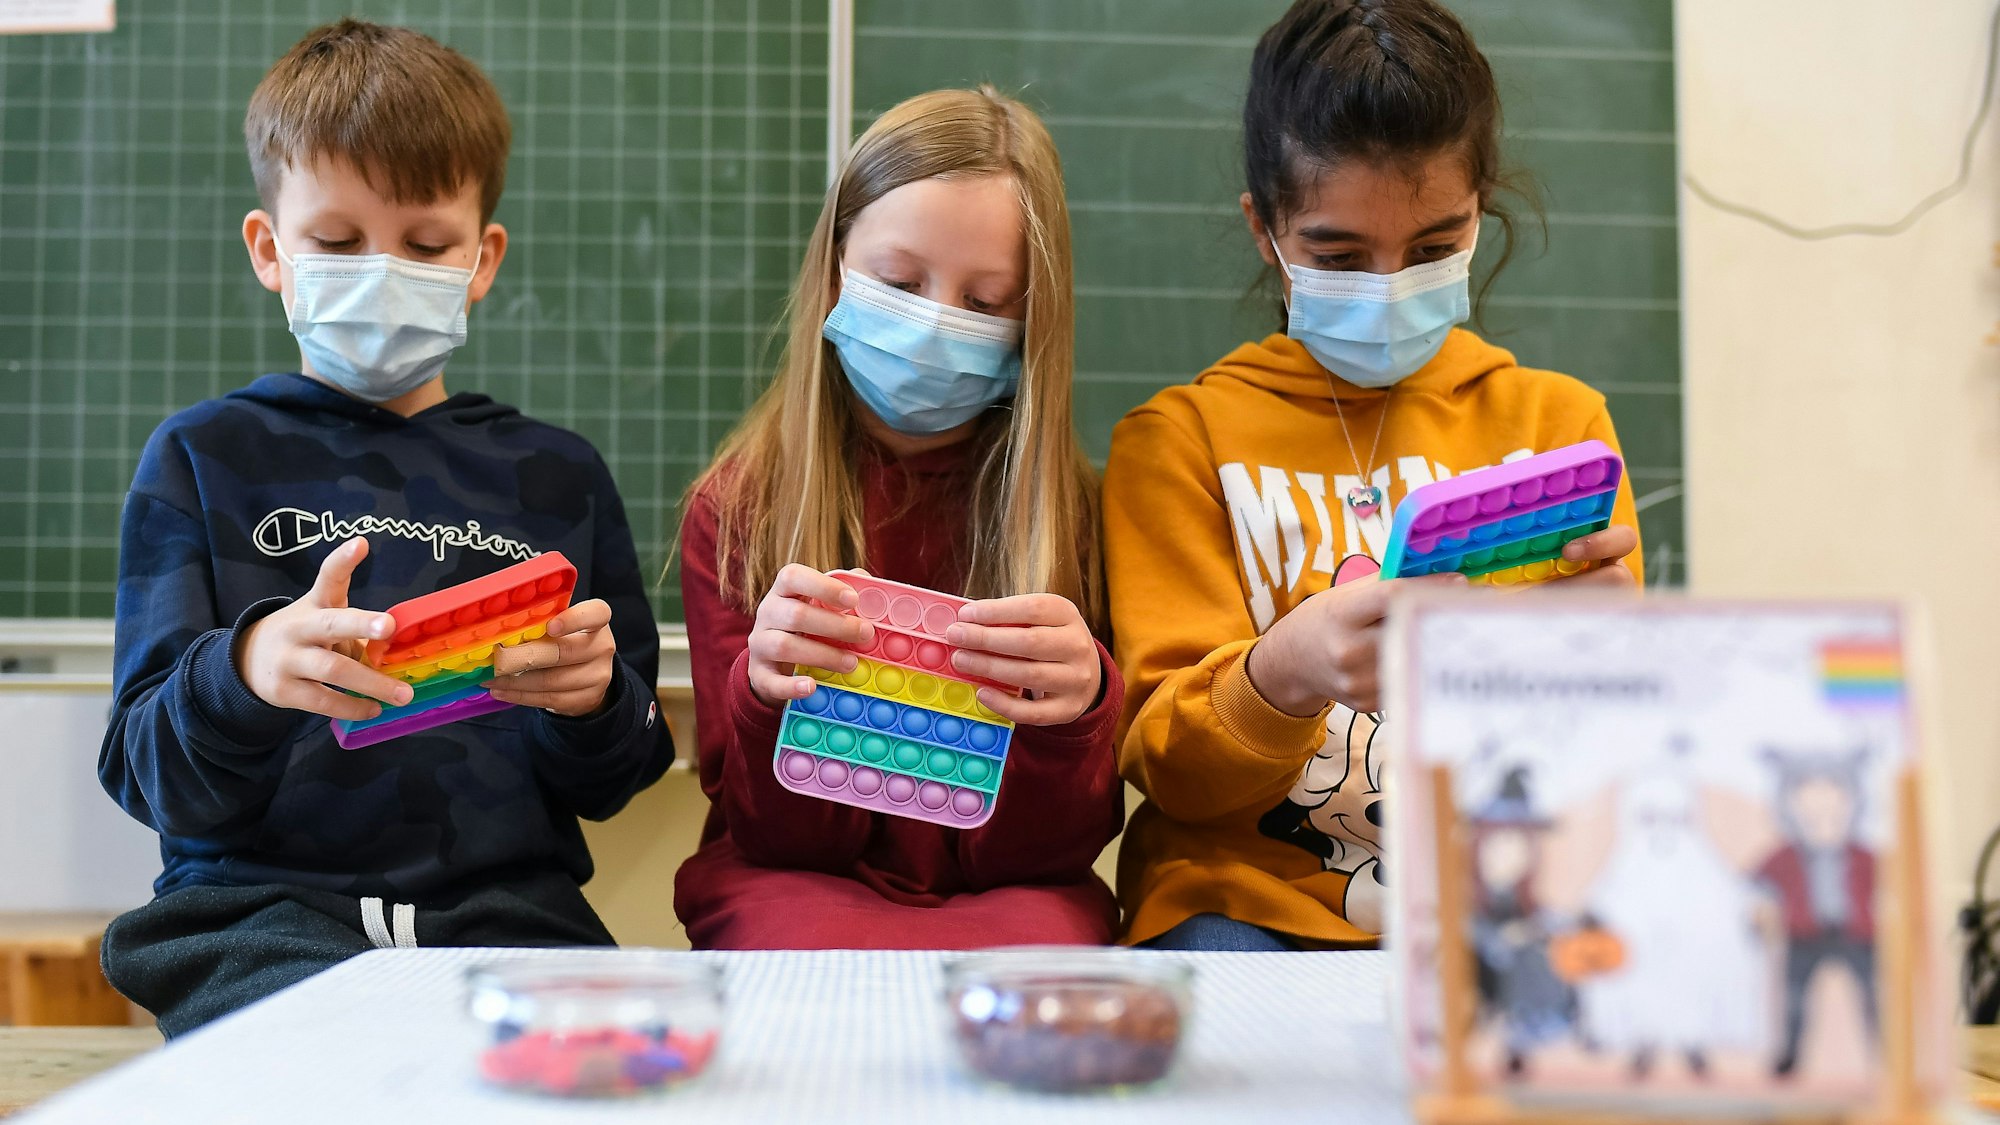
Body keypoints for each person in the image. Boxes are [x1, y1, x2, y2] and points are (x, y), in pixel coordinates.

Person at [97, 20, 673, 1036]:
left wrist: (591, 704)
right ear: (270, 250)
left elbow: (618, 774)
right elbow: (146, 771)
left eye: (424, 244)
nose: (380, 269)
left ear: (482, 258)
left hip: (512, 927)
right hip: (254, 927)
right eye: (334, 241)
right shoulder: (202, 457)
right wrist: (244, 671)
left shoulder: (556, 476)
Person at [1105, 0, 1644, 951]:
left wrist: (1602, 661)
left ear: (1483, 213)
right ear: (1265, 229)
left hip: (1500, 904)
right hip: (1239, 905)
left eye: (1435, 249)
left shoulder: (1560, 431)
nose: (1390, 284)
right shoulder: (1181, 440)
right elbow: (1173, 772)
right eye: (1339, 255)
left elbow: (1609, 758)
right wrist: (1280, 676)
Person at [674, 86, 1124, 949]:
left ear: (1039, 318)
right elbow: (774, 837)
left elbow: (1046, 855)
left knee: (1047, 959)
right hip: (791, 882)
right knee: (803, 958)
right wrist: (770, 700)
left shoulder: (1075, 521)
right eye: (899, 281)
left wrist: (1081, 714)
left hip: (1014, 892)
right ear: (834, 267)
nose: (935, 323)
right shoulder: (740, 509)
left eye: (987, 301)